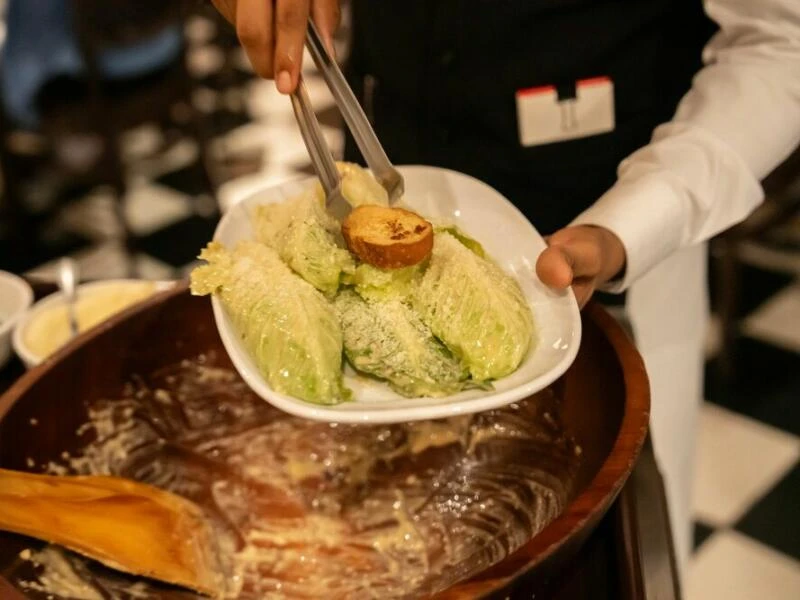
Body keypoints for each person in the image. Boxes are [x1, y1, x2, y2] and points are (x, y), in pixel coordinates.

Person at [211, 0, 800, 575]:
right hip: (385, 175)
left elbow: (781, 41)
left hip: (617, 241)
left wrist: (635, 221)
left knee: (597, 551)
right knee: (392, 548)